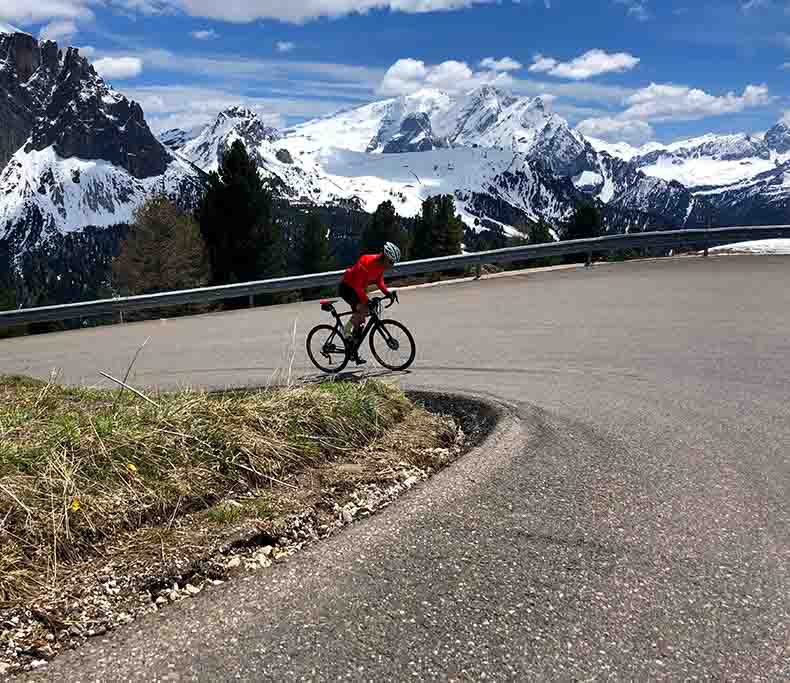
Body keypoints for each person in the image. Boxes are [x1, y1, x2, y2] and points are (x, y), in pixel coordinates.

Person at [339, 242, 401, 364]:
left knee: (361, 320)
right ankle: (345, 330)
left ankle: (352, 350)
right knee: (364, 309)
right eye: (391, 262)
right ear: (384, 257)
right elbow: (357, 287)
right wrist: (367, 301)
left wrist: (387, 293)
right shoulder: (366, 262)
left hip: (360, 289)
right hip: (348, 288)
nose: (392, 265)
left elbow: (379, 281)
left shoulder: (382, 266)